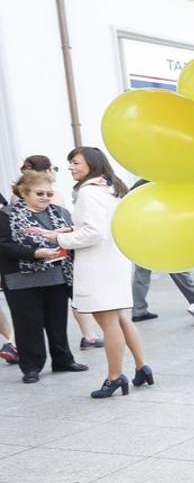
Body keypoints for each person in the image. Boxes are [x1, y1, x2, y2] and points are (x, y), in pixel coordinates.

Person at [28, 148, 151, 398]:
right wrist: (67, 230)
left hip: (98, 264)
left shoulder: (87, 192)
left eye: (75, 163)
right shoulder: (111, 188)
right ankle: (142, 367)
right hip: (114, 259)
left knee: (108, 324)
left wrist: (61, 237)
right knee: (120, 318)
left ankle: (115, 377)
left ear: (91, 165)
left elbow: (94, 233)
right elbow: (99, 226)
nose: (71, 167)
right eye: (70, 163)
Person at [0, 170, 86, 381]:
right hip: (21, 280)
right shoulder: (7, 214)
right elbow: (3, 245)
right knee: (27, 325)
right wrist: (34, 253)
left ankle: (63, 359)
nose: (45, 198)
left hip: (57, 275)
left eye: (49, 193)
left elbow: (73, 238)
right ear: (24, 193)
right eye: (40, 194)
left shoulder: (60, 212)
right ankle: (31, 367)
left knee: (57, 321)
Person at [129, 179, 194, 323]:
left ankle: (138, 309)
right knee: (176, 267)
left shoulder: (139, 187)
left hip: (140, 235)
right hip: (160, 235)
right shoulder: (160, 185)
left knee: (141, 274)